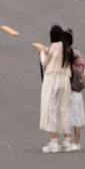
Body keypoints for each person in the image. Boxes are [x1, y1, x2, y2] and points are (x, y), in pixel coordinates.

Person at [36, 25, 75, 153]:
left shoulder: (53, 47)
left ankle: (53, 142)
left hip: (52, 81)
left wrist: (41, 52)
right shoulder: (67, 48)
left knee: (51, 109)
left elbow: (45, 62)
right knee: (64, 109)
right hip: (65, 81)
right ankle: (67, 141)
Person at [68, 41, 85, 149]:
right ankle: (70, 141)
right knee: (70, 117)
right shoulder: (75, 55)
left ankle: (77, 142)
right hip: (69, 90)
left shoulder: (74, 57)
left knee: (76, 117)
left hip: (74, 90)